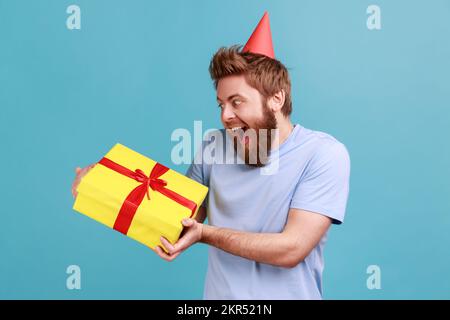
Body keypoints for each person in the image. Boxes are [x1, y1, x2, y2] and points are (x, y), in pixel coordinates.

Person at [72, 12, 350, 299]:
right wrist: (101, 183)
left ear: (276, 99)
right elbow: (177, 221)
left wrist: (206, 234)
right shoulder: (213, 147)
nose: (225, 116)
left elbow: (292, 248)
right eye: (221, 104)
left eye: (236, 102)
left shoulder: (323, 154)